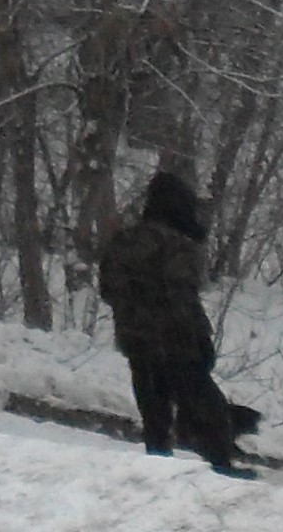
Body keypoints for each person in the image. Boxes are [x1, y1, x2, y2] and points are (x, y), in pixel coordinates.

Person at [97, 171, 251, 478]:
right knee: (205, 403)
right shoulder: (178, 245)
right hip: (176, 342)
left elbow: (108, 290)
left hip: (136, 340)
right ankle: (221, 463)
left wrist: (134, 313)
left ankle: (158, 463)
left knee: (154, 409)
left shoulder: (123, 241)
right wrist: (201, 340)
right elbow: (183, 298)